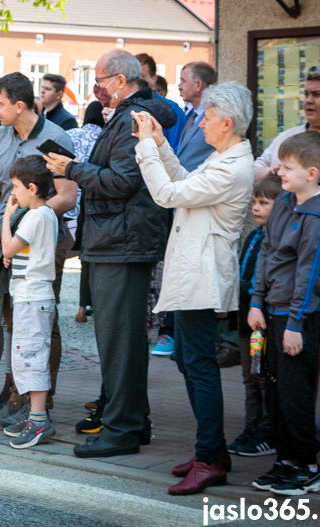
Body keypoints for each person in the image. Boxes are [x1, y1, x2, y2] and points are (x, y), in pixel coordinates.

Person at [45, 49, 175, 458]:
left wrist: (71, 169)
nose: (96, 88)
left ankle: (122, 429)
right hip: (118, 240)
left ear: (121, 80)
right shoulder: (128, 116)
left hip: (122, 242)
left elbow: (121, 182)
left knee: (120, 342)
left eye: (101, 79)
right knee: (124, 341)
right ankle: (133, 423)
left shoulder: (133, 117)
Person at [132, 81, 255, 495]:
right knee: (189, 359)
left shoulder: (231, 166)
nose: (200, 122)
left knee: (198, 365)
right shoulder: (224, 158)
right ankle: (212, 452)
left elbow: (168, 194)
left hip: (201, 275)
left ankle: (210, 459)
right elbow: (184, 182)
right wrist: (160, 144)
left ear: (228, 122)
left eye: (206, 116)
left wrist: (148, 146)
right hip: (194, 272)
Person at [0, 72, 77, 427]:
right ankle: (16, 395)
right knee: (11, 319)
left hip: (41, 243)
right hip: (4, 239)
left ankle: (38, 403)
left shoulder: (55, 137)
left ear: (20, 105)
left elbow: (67, 195)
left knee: (41, 322)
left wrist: (31, 220)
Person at [248, 131, 320, 497]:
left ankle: (310, 467)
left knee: (294, 392)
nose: (279, 171)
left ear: (313, 173)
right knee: (274, 390)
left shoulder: (319, 218)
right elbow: (268, 253)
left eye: (288, 167)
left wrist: (296, 323)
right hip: (272, 310)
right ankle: (286, 461)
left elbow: (311, 271)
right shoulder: (285, 202)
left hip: (299, 317)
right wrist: (257, 301)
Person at [0, 155, 58, 448]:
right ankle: (35, 417)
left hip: (32, 299)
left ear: (32, 188)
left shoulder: (36, 216)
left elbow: (7, 247)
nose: (14, 193)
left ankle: (38, 420)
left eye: (16, 186)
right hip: (30, 297)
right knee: (26, 357)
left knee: (32, 358)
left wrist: (6, 220)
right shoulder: (42, 215)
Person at [227, 175, 283, 459]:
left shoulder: (277, 238)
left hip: (263, 321)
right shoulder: (255, 235)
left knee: (263, 378)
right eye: (254, 202)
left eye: (264, 202)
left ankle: (266, 432)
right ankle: (251, 429)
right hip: (246, 320)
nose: (256, 208)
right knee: (250, 376)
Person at [256, 63, 320, 182]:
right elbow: (252, 172)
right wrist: (273, 171)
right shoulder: (288, 135)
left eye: (317, 94)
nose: (308, 101)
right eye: (306, 94)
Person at [68, 101, 104, 325]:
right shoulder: (106, 138)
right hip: (94, 205)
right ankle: (96, 307)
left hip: (69, 205)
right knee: (92, 259)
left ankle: (81, 308)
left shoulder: (70, 134)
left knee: (81, 258)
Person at [135, 53, 187, 151]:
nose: (135, 81)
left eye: (141, 76)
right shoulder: (120, 106)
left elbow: (177, 149)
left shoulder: (172, 109)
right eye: (132, 76)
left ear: (154, 79)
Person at [176, 62, 218, 171]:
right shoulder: (190, 116)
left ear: (198, 85)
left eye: (183, 81)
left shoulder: (217, 117)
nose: (179, 87)